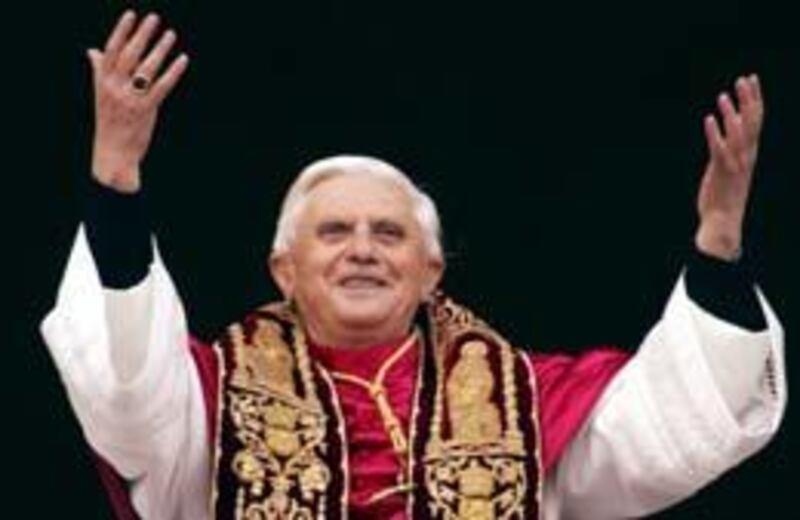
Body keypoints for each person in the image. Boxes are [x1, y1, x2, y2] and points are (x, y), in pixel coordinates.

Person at [41, 10, 786, 520]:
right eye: (334, 232)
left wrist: (718, 240)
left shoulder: (526, 402)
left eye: (388, 234)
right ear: (283, 271)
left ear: (432, 271)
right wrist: (116, 182)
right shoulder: (205, 397)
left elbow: (671, 428)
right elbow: (124, 393)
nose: (362, 248)